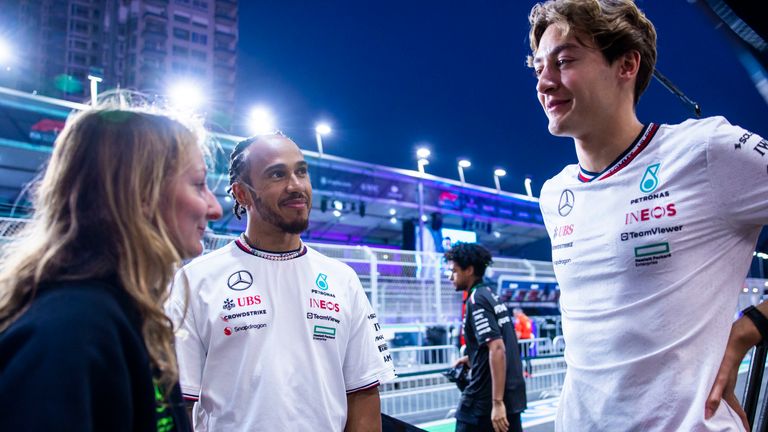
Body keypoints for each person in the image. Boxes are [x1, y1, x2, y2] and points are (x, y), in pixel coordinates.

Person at [528, 0, 768, 430]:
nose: (545, 82)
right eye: (538, 67)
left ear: (626, 65)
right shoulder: (555, 192)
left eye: (564, 61)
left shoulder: (706, 150)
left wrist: (750, 328)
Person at [0, 106, 222, 431]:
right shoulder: (71, 331)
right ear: (142, 193)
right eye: (199, 184)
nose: (214, 208)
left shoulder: (126, 315)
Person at [166, 132, 395, 431]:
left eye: (301, 171)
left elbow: (363, 396)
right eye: (277, 174)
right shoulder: (196, 280)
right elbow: (179, 406)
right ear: (241, 194)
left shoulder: (343, 280)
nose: (296, 186)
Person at [445, 243, 526, 432]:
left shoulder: (477, 300)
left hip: (485, 400)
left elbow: (497, 347)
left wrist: (497, 403)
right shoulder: (491, 295)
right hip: (510, 394)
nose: (450, 277)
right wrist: (473, 358)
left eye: (454, 271)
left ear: (469, 270)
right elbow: (495, 344)